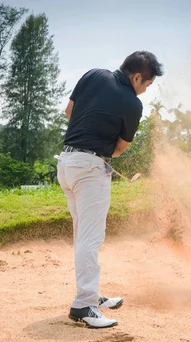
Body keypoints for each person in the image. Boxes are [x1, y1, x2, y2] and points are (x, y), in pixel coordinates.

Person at [57, 51, 163, 328]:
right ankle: (84, 305)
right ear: (137, 77)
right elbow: (119, 148)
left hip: (66, 163)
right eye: (147, 85)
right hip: (90, 170)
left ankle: (90, 294)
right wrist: (96, 150)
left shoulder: (93, 74)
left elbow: (69, 111)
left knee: (83, 235)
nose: (145, 91)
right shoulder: (132, 104)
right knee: (90, 239)